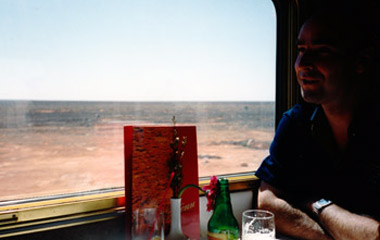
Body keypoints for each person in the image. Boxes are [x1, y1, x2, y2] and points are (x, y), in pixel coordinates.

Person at [255, 5, 380, 240]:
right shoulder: (297, 122)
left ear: (360, 61)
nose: (303, 64)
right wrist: (338, 234)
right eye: (301, 49)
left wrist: (318, 205)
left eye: (322, 51)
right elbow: (267, 204)